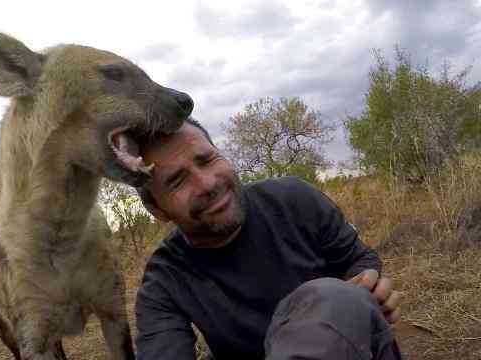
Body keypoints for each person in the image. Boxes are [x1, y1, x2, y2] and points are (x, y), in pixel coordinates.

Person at [133, 118, 402, 360]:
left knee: (333, 297)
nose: (207, 183)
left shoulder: (294, 199)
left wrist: (363, 293)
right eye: (178, 181)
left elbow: (358, 257)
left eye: (206, 160)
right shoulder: (163, 282)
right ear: (157, 209)